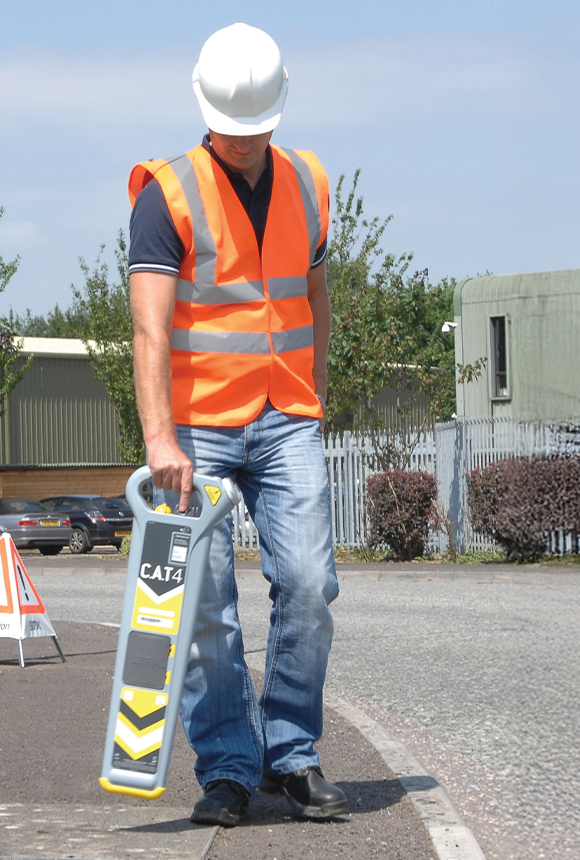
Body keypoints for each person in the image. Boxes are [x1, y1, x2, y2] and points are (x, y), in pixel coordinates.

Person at [127, 23, 348, 827]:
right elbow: (150, 331)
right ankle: (228, 765)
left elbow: (316, 295)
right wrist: (161, 439)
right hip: (198, 431)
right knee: (206, 606)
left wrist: (313, 393)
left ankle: (291, 753)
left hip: (286, 415)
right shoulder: (166, 195)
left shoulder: (310, 181)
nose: (248, 142)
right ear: (207, 111)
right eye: (235, 127)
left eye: (260, 128)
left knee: (310, 586)